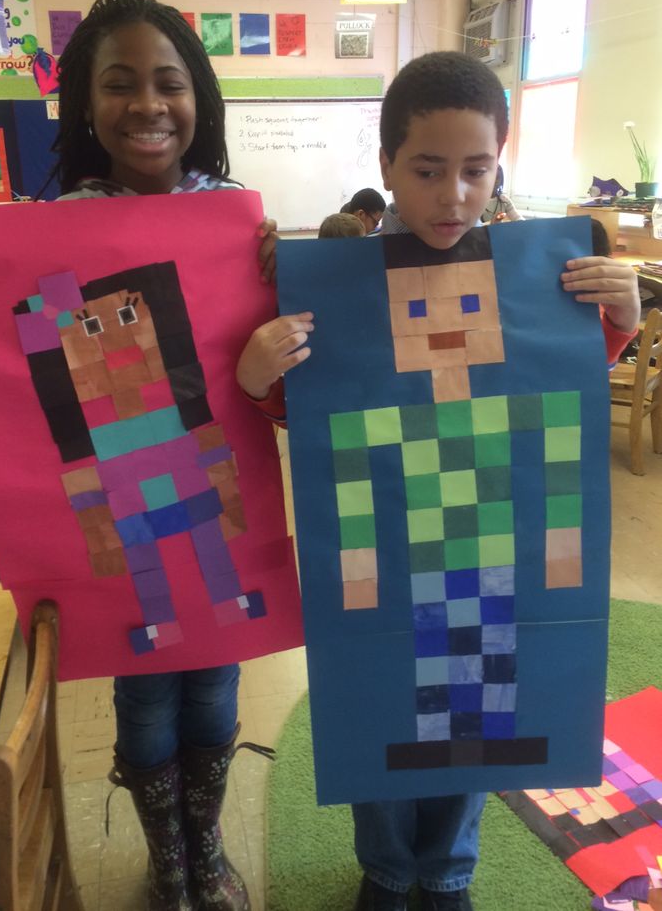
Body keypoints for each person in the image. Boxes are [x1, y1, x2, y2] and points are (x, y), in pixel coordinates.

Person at [235, 51, 640, 911]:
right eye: (426, 170)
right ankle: (387, 868)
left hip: (488, 540)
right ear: (386, 167)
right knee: (384, 706)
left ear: (499, 164)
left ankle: (447, 868)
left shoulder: (530, 281)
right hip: (386, 544)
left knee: (477, 717)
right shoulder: (341, 290)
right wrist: (262, 375)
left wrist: (621, 323)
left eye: (474, 169)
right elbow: (307, 412)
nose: (452, 194)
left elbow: (553, 390)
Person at [0, 0, 278, 911]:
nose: (148, 105)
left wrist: (289, 279)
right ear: (86, 103)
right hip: (117, 501)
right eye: (120, 85)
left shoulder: (240, 219)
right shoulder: (47, 231)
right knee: (146, 689)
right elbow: (15, 364)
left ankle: (204, 846)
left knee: (213, 679)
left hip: (217, 491)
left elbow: (276, 368)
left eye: (169, 82)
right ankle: (169, 860)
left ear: (199, 98)